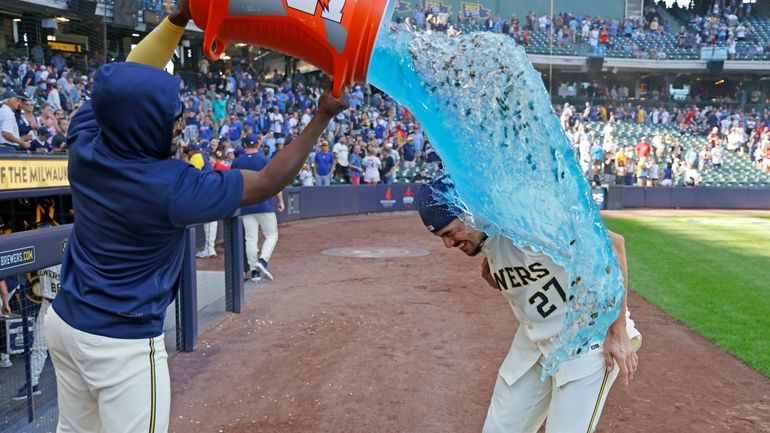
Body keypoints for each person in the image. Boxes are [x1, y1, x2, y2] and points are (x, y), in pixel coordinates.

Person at [43, 1, 348, 431]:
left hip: (65, 324)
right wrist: (321, 116)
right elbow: (265, 181)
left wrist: (177, 18)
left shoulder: (87, 140)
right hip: (119, 344)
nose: (180, 125)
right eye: (173, 120)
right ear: (146, 125)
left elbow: (128, 80)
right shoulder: (172, 185)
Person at [417, 175, 640, 433]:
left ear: (469, 212)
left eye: (450, 232)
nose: (448, 244)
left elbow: (613, 246)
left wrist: (619, 330)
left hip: (587, 335)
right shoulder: (486, 238)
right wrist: (497, 280)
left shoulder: (531, 219)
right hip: (535, 340)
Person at [231, 134, 285, 282]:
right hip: (264, 203)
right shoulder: (265, 159)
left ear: (245, 145)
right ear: (258, 145)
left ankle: (254, 273)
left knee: (251, 238)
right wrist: (280, 200)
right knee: (272, 235)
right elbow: (275, 182)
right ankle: (262, 261)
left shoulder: (237, 161)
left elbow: (232, 182)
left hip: (246, 203)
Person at [12, 264, 61, 400]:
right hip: (46, 304)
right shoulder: (42, 249)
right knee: (38, 346)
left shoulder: (67, 247)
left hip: (67, 304)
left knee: (72, 347)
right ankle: (32, 384)